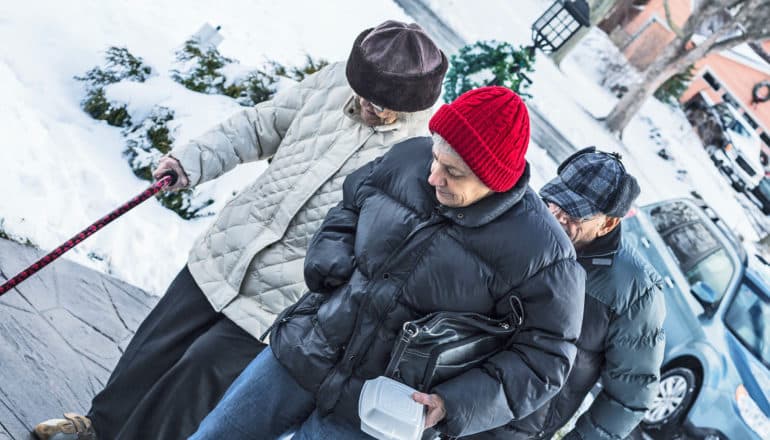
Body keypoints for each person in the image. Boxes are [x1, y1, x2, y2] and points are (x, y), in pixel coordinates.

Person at [32, 20, 448, 440]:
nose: (366, 107)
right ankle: (97, 428)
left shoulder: (418, 155)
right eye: (362, 94)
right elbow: (261, 124)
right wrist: (192, 161)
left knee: (200, 375)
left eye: (381, 105)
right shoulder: (333, 83)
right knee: (153, 349)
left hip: (287, 294)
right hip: (231, 247)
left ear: (413, 105)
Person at [189, 86, 586, 440]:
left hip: (375, 413)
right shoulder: (407, 157)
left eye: (453, 172)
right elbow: (350, 205)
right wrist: (330, 256)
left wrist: (454, 404)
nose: (433, 176)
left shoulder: (543, 255)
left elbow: (547, 358)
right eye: (436, 158)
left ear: (494, 180)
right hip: (303, 351)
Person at [464, 147, 667, 440]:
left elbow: (630, 395)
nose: (556, 216)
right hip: (448, 395)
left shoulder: (635, 292)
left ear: (608, 223)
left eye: (574, 213)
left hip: (513, 430)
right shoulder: (526, 222)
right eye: (554, 201)